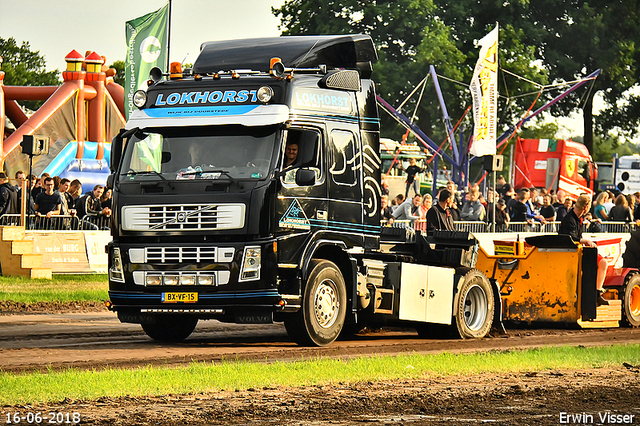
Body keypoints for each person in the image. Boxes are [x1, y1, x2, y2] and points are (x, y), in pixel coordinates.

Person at [558, 194, 609, 306]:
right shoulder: (570, 220)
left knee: (602, 262)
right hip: (572, 253)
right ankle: (596, 294)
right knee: (603, 263)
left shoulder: (574, 218)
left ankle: (597, 293)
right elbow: (569, 237)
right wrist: (585, 241)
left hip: (576, 251)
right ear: (586, 207)